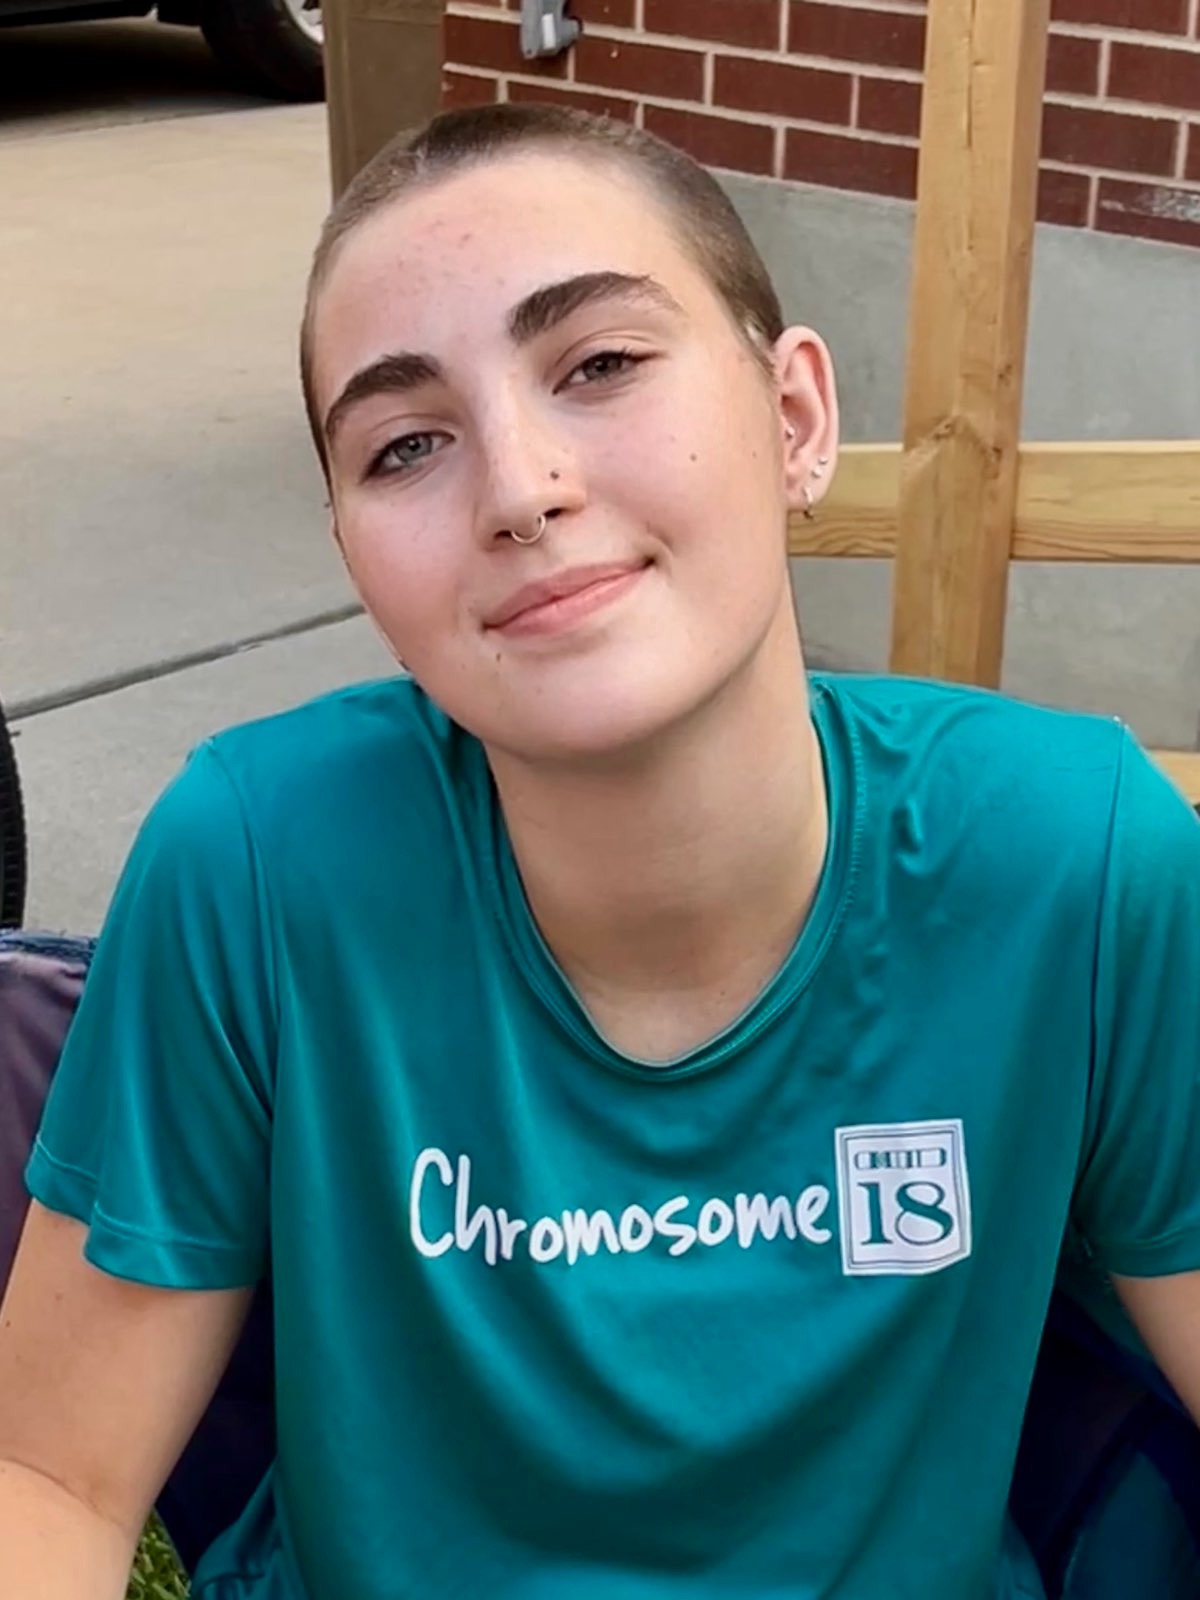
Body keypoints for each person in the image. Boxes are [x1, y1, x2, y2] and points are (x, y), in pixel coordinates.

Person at [0, 102, 1198, 1600]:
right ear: (356, 554)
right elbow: (49, 1476)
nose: (520, 490)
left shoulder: (1073, 861)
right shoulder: (256, 862)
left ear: (795, 418)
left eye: (601, 364)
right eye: (406, 444)